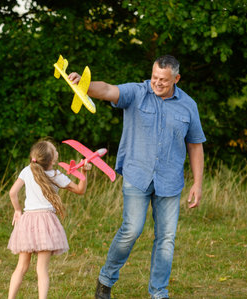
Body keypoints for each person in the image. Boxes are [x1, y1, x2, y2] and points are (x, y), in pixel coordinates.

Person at [68, 55, 206, 299]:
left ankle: (158, 293)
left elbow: (195, 145)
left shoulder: (188, 105)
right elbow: (109, 90)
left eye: (164, 79)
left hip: (170, 180)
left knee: (166, 239)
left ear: (177, 78)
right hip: (137, 175)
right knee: (131, 229)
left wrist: (197, 183)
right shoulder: (138, 92)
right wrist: (84, 86)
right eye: (154, 77)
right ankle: (105, 280)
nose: (157, 83)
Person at [7, 139, 91, 299]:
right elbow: (80, 190)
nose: (57, 151)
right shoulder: (56, 176)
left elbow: (12, 193)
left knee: (21, 267)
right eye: (55, 150)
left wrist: (18, 210)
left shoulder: (27, 170)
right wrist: (84, 173)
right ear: (52, 160)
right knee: (41, 269)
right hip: (46, 223)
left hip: (27, 222)